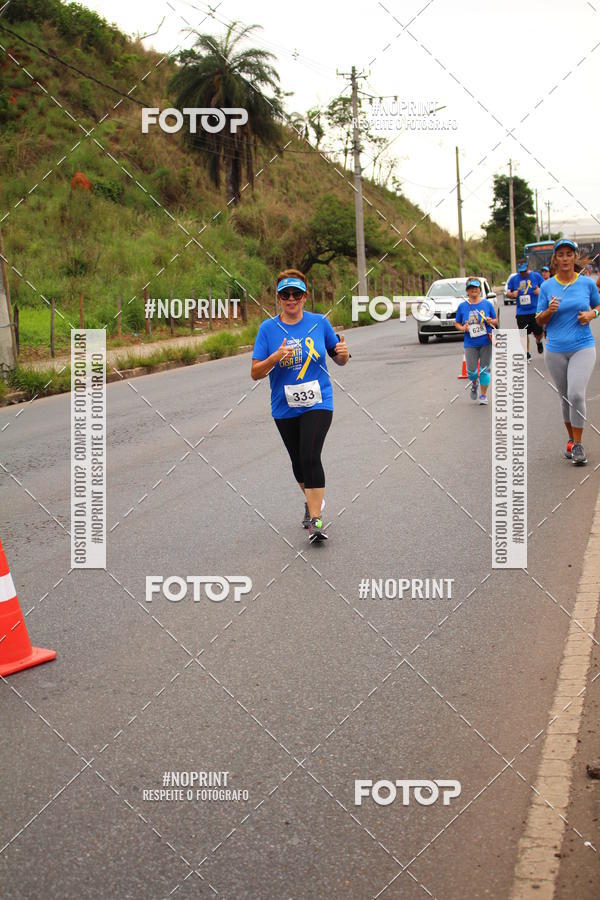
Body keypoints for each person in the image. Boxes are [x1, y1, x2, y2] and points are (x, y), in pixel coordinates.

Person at [251, 268, 350, 542]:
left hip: (319, 401)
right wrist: (274, 358)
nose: (291, 299)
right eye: (285, 294)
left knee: (309, 455)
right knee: (297, 463)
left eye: (296, 294)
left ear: (305, 296)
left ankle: (316, 520)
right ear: (278, 298)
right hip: (284, 406)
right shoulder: (268, 329)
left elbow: (338, 357)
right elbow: (255, 372)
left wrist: (343, 354)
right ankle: (310, 500)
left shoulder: (320, 322)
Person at [536, 239, 600, 465]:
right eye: (560, 254)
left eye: (568, 254)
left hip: (583, 346)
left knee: (575, 394)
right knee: (564, 398)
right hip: (555, 350)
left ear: (574, 258)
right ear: (556, 259)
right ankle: (571, 440)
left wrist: (592, 314)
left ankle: (579, 444)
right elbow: (539, 319)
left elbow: (598, 305)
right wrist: (549, 311)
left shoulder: (586, 284)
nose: (565, 258)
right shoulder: (546, 287)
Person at [455, 277, 498, 404]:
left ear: (480, 290)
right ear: (467, 291)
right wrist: (463, 327)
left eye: (476, 288)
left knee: (485, 369)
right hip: (470, 343)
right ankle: (474, 383)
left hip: (486, 341)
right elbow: (457, 323)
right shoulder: (463, 306)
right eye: (471, 288)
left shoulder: (487, 304)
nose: (474, 290)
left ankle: (483, 395)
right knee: (471, 371)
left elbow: (496, 321)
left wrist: (491, 321)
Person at [506, 261, 544, 359]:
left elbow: (545, 289)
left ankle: (538, 341)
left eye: (524, 271)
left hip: (535, 310)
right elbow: (507, 292)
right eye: (520, 271)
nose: (522, 273)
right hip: (521, 311)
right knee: (523, 333)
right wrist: (512, 295)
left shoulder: (536, 276)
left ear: (528, 268)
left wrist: (539, 291)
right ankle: (526, 353)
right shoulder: (514, 279)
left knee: (538, 333)